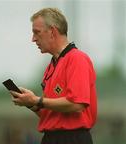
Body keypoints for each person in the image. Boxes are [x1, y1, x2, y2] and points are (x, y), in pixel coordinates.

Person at [10, 8, 97, 144]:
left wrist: (37, 101)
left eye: (37, 32)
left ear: (52, 32)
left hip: (72, 139)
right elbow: (50, 114)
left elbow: (77, 104)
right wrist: (31, 103)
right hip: (51, 138)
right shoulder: (51, 66)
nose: (33, 39)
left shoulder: (77, 58)